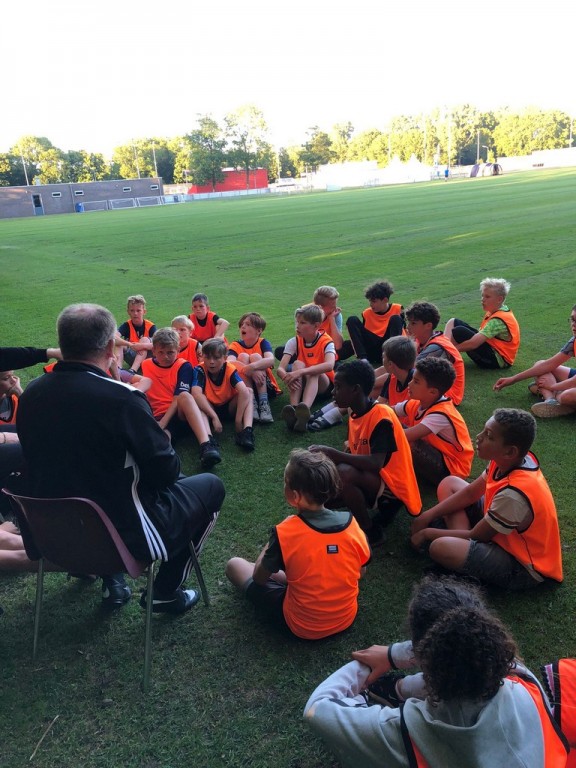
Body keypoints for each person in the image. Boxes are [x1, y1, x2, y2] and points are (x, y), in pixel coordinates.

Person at [15, 303, 225, 614]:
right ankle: (165, 592)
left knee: (90, 477)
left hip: (52, 536)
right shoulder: (123, 399)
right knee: (211, 486)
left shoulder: (31, 394)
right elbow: (166, 472)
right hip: (120, 538)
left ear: (62, 344)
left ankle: (111, 579)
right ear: (110, 347)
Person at [304, 574, 569, 768]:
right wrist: (396, 668)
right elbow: (462, 654)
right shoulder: (522, 679)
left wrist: (364, 665)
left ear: (427, 657)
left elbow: (317, 708)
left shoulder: (411, 731)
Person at [225, 448, 370, 640]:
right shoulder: (352, 524)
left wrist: (275, 538)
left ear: (295, 496)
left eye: (285, 482)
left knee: (234, 565)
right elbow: (361, 572)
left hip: (302, 625)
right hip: (346, 617)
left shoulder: (286, 532)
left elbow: (259, 578)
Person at [411, 407, 563, 590]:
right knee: (449, 483)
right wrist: (426, 516)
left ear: (510, 452)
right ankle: (461, 547)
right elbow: (470, 493)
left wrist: (427, 533)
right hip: (498, 528)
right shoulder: (505, 461)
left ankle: (460, 557)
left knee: (439, 547)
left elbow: (477, 535)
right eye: (484, 431)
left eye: (489, 436)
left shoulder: (513, 495)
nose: (479, 437)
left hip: (521, 564)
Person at [309, 360, 421, 546]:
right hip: (374, 479)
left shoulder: (381, 415)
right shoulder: (356, 414)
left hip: (393, 488)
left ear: (355, 390)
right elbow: (355, 452)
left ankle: (371, 531)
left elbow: (375, 463)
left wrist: (333, 454)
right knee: (318, 500)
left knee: (344, 473)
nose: (333, 392)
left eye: (338, 387)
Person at [141, 328, 221, 468]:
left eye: (170, 352)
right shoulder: (146, 364)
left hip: (179, 413)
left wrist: (163, 422)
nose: (165, 356)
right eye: (161, 352)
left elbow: (178, 397)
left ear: (178, 350)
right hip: (157, 415)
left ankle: (206, 445)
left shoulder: (183, 366)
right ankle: (163, 458)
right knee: (162, 440)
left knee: (185, 396)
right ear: (153, 351)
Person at [393, 357, 474, 486]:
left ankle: (386, 468)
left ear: (432, 392)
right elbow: (388, 411)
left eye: (416, 382)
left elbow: (404, 436)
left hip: (452, 470)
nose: (410, 384)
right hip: (435, 454)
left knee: (404, 439)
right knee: (390, 423)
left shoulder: (440, 414)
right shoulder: (416, 403)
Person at [494, 305, 576, 419]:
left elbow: (573, 381)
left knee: (567, 396)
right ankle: (551, 401)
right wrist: (513, 379)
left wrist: (552, 386)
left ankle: (561, 398)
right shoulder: (574, 340)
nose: (574, 324)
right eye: (572, 319)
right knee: (540, 364)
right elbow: (548, 365)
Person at [279, 304, 336, 431]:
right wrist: (287, 377)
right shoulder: (294, 341)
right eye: (297, 322)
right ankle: (294, 408)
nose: (297, 326)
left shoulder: (326, 341)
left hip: (324, 386)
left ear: (316, 325)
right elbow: (280, 368)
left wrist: (300, 372)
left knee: (313, 370)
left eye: (302, 322)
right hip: (303, 384)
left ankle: (305, 410)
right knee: (297, 364)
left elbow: (329, 365)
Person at [192, 337, 255, 451]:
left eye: (216, 358)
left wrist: (238, 421)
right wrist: (214, 417)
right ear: (202, 357)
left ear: (225, 358)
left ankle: (246, 431)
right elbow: (196, 394)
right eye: (207, 357)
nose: (211, 362)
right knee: (198, 403)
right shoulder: (199, 369)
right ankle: (208, 439)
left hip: (229, 407)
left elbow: (243, 391)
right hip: (209, 408)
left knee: (249, 391)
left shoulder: (229, 368)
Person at [444, 277, 520, 369]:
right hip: (492, 350)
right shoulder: (495, 311)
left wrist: (453, 350)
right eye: (482, 296)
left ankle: (445, 354)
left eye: (487, 297)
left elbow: (473, 344)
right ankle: (443, 349)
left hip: (498, 360)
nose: (483, 299)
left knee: (459, 331)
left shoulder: (498, 320)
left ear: (499, 299)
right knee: (453, 321)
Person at [405, 300, 465, 405]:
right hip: (431, 388)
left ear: (428, 326)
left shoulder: (436, 347)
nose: (408, 327)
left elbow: (406, 369)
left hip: (448, 395)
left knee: (400, 376)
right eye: (409, 322)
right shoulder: (422, 339)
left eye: (413, 323)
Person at [227, 312, 281, 424]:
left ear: (259, 330)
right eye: (242, 324)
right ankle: (252, 404)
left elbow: (270, 360)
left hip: (264, 385)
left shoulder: (263, 342)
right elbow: (229, 362)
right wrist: (251, 371)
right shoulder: (235, 345)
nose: (243, 326)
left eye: (248, 324)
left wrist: (253, 367)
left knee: (255, 357)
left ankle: (264, 404)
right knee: (243, 356)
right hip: (245, 388)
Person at [345, 281, 405, 365]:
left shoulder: (397, 310)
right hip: (371, 350)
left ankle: (392, 358)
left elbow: (405, 333)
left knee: (396, 318)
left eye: (374, 301)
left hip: (387, 349)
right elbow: (362, 337)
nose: (371, 304)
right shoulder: (367, 313)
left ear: (385, 300)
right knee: (352, 320)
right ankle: (362, 360)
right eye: (370, 301)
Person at [116, 294, 157, 375]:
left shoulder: (151, 326)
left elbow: (159, 344)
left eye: (138, 311)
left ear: (144, 312)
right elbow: (113, 337)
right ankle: (118, 369)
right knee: (119, 343)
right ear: (128, 312)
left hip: (147, 358)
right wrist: (129, 344)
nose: (135, 313)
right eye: (132, 311)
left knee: (144, 340)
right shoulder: (126, 325)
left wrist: (141, 346)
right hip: (132, 355)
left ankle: (132, 371)